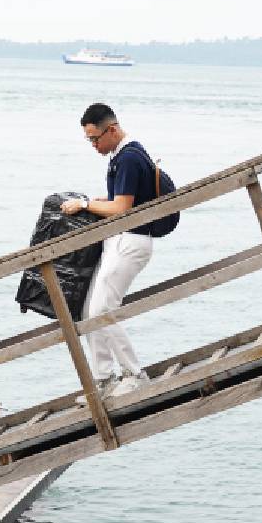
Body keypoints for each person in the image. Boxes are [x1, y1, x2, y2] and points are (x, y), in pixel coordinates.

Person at [61, 103, 155, 399]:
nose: (93, 145)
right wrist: (99, 201)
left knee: (103, 309)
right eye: (89, 140)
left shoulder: (128, 158)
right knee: (90, 311)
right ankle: (104, 378)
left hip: (131, 242)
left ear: (111, 130)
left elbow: (121, 207)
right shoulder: (122, 154)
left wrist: (87, 205)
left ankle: (134, 373)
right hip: (121, 240)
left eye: (95, 139)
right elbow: (120, 200)